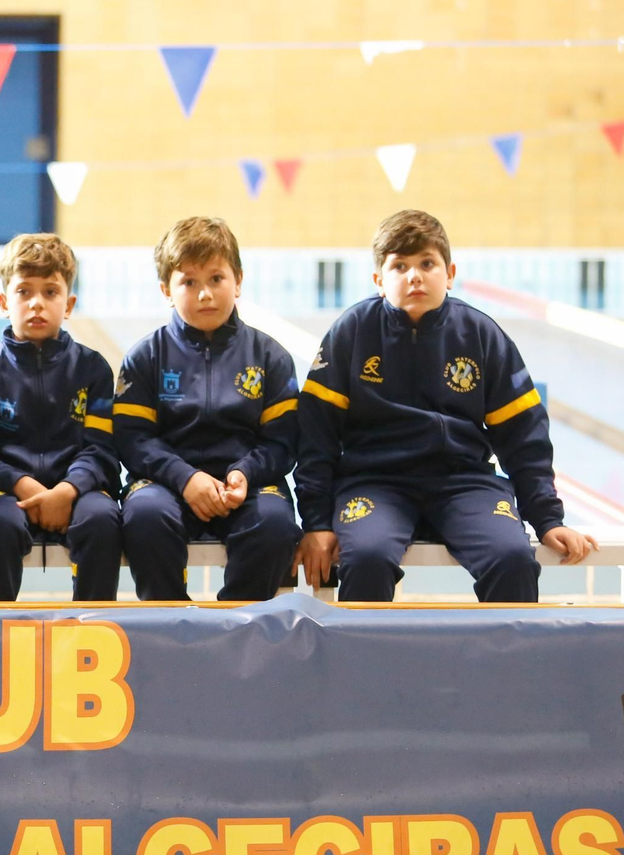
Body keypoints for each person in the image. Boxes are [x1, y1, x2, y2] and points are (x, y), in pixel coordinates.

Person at [293, 209, 597, 601]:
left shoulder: (480, 334)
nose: (415, 275)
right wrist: (316, 522)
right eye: (399, 266)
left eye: (427, 263)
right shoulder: (352, 332)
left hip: (463, 483)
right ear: (379, 281)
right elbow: (316, 434)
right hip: (375, 483)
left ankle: (501, 665)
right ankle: (367, 664)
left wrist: (547, 518)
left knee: (512, 559)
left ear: (449, 273)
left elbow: (524, 435)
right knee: (366, 557)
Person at [115, 217, 302, 601]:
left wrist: (245, 473)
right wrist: (185, 478)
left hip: (246, 486)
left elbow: (283, 442)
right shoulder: (145, 357)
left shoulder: (270, 357)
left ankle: (238, 626)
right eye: (189, 282)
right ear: (166, 289)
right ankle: (170, 626)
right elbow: (133, 441)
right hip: (167, 485)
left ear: (238, 280)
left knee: (275, 524)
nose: (205, 294)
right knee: (145, 517)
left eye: (216, 279)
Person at [0, 233, 121, 601]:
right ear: (4, 301)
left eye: (50, 292)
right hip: (2, 495)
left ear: (69, 304)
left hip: (77, 491)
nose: (37, 303)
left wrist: (68, 490)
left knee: (102, 520)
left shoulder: (93, 369)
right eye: (24, 292)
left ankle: (95, 629)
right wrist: (23, 484)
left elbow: (103, 451)